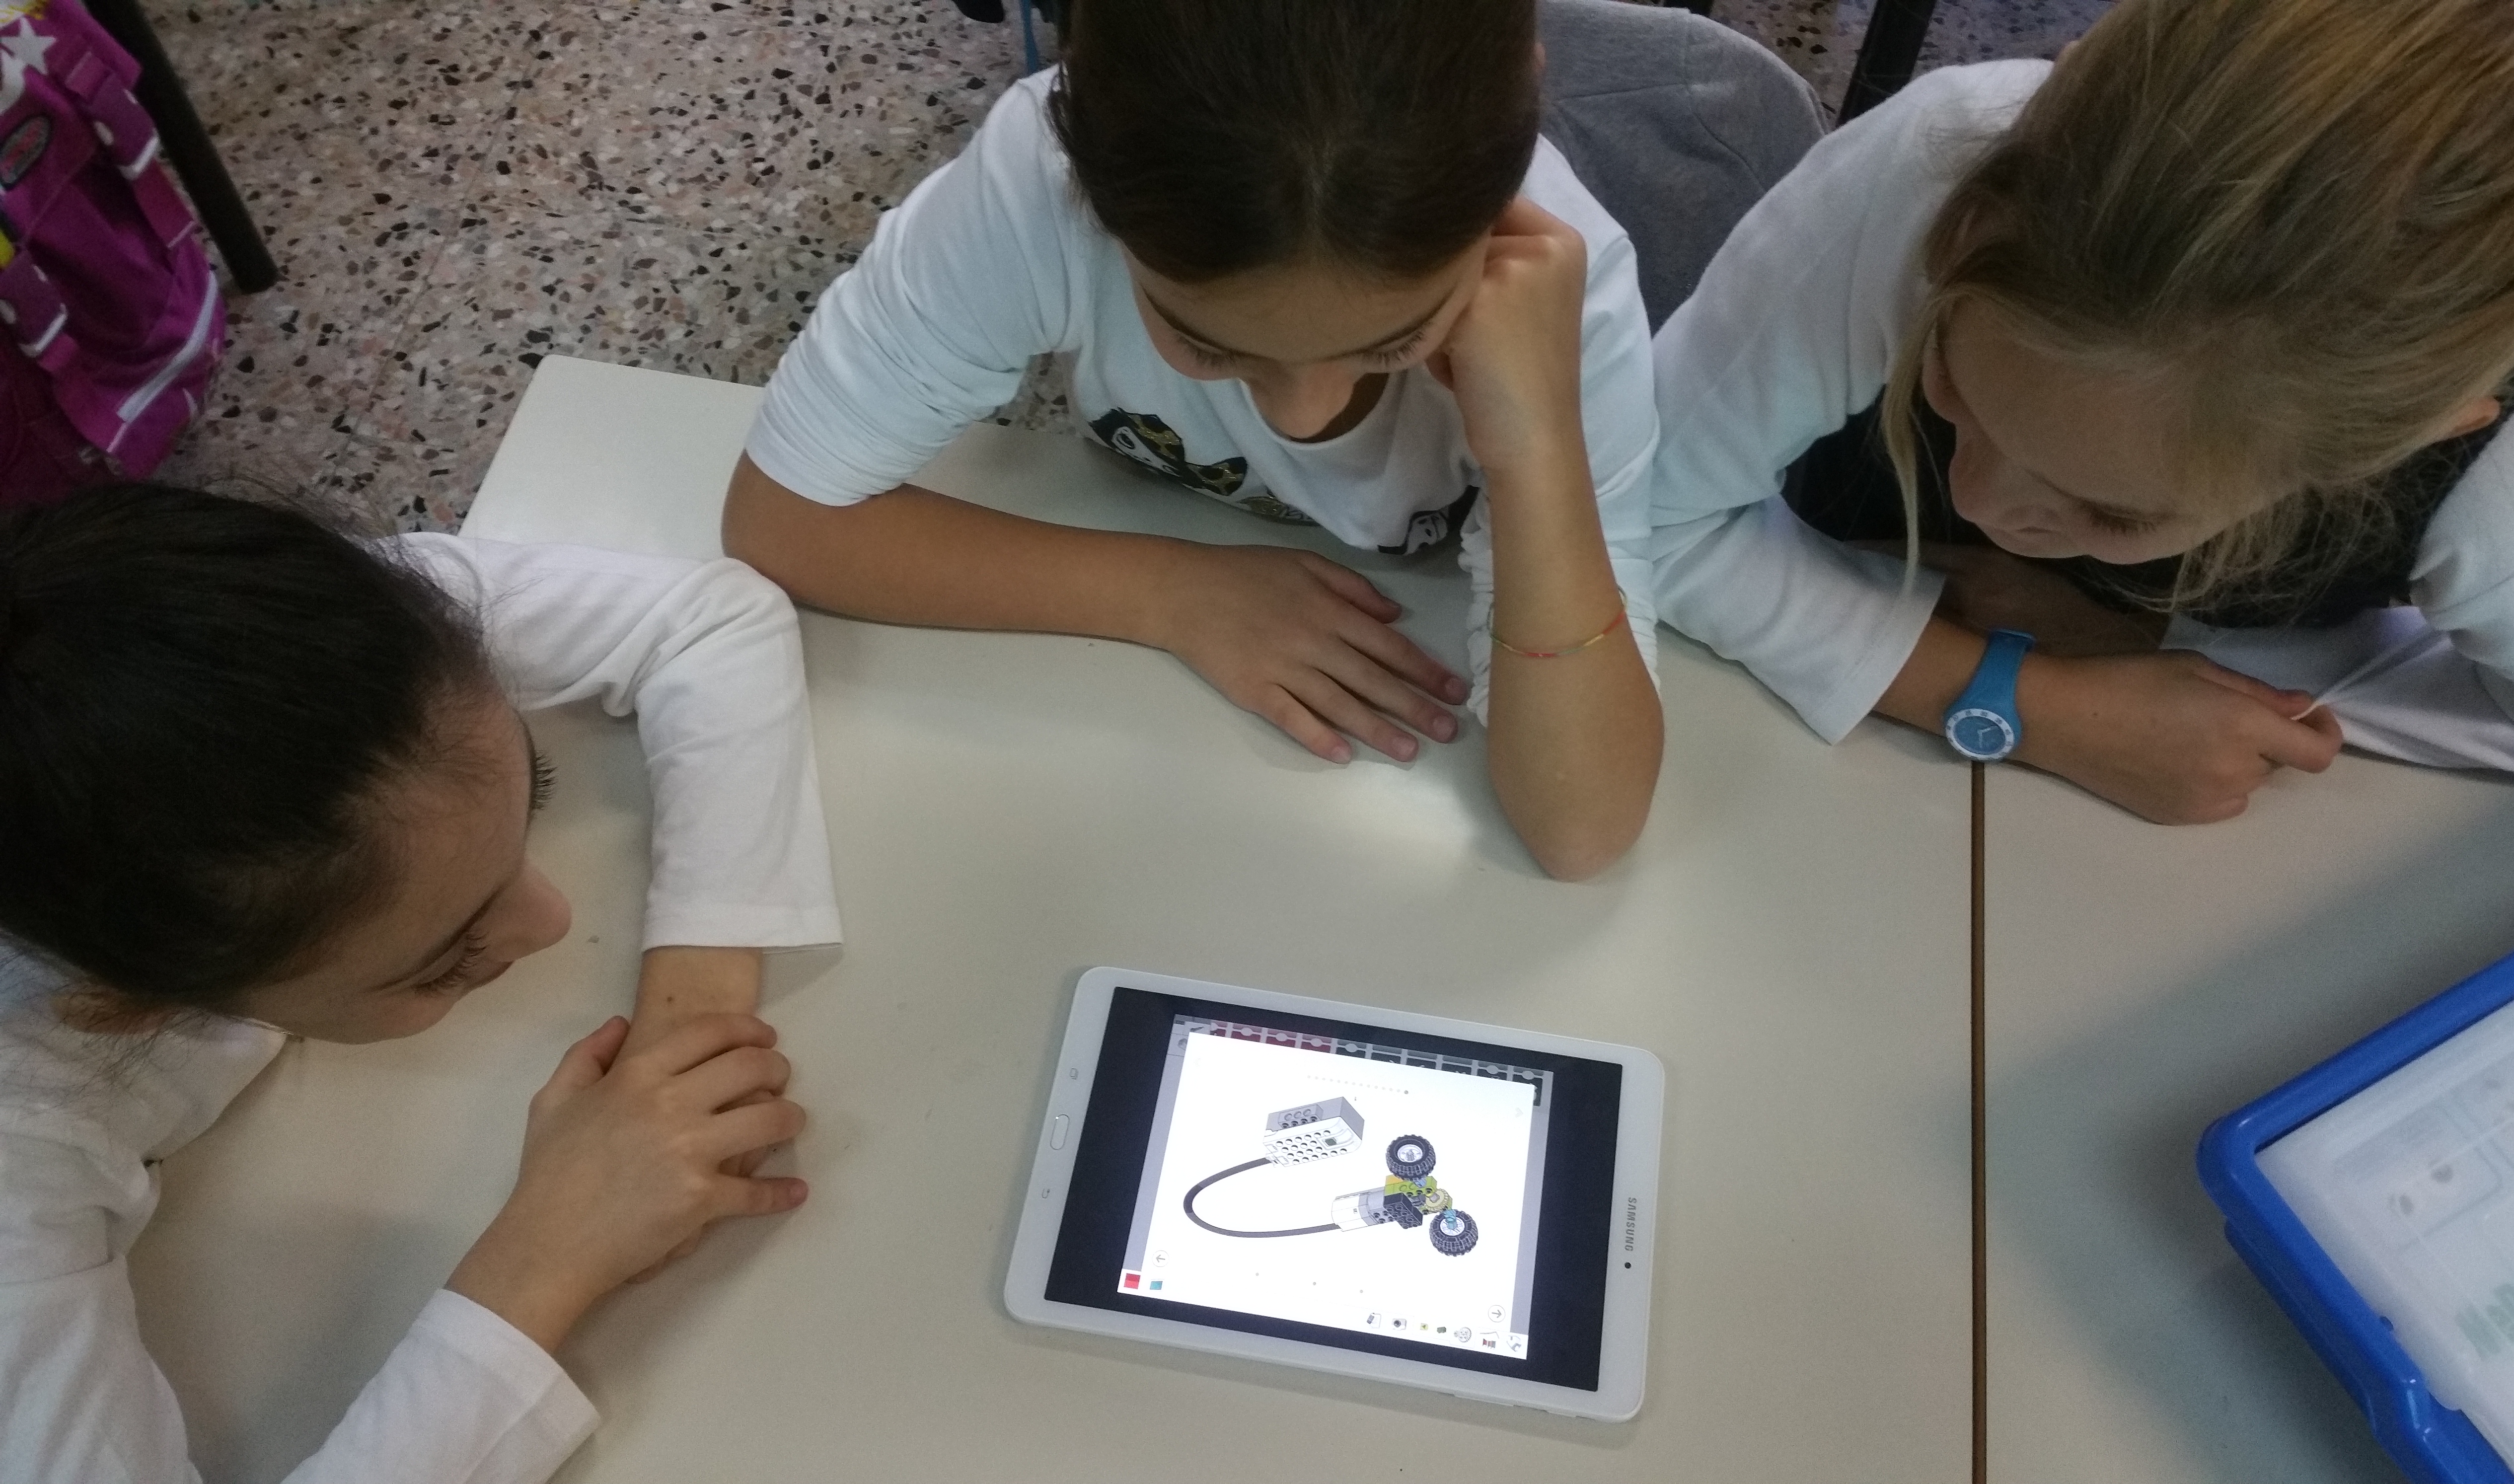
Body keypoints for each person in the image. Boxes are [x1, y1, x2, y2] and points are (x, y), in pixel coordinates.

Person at [0, 485, 842, 1484]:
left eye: (534, 787)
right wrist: (549, 1254)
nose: (554, 921)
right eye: (445, 960)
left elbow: (706, 617)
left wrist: (689, 1018)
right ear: (133, 1003)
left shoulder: (267, 640)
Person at [725, 0, 1663, 879]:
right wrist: (1167, 591)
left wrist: (1538, 451)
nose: (1301, 418)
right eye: (1209, 347)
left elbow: (1582, 826)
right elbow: (782, 518)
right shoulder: (1040, 183)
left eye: (1396, 343)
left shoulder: (1567, 293)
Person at [1648, 0, 2514, 822]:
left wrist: (2201, 653)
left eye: (2113, 513)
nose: (1982, 499)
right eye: (1954, 385)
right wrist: (2027, 701)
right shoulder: (1942, 161)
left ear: (2397, 446)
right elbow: (1637, 503)